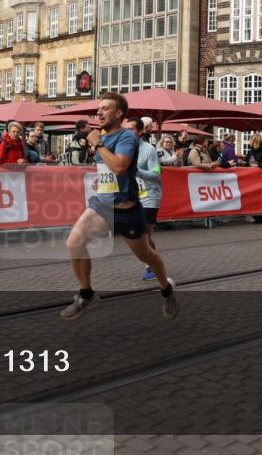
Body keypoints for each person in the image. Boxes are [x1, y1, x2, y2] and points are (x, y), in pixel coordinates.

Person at [61, 93, 178, 321]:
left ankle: (167, 289)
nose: (99, 112)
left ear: (119, 113)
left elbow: (120, 167)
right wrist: (101, 179)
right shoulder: (103, 137)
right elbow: (109, 170)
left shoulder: (126, 137)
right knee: (74, 243)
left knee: (146, 255)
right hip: (103, 205)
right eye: (98, 108)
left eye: (105, 108)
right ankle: (87, 295)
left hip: (126, 210)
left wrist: (98, 144)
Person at [126, 118, 163, 282]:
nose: (127, 133)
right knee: (139, 237)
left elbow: (156, 174)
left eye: (131, 129)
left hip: (150, 195)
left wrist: (136, 171)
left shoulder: (149, 150)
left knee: (145, 234)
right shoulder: (123, 149)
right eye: (125, 129)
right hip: (133, 196)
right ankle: (154, 262)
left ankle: (151, 267)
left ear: (140, 132)